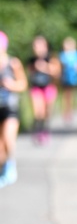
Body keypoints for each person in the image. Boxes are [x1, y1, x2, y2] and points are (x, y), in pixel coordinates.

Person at [0, 31, 28, 188]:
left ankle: (10, 167)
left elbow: (23, 84)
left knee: (8, 136)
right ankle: (4, 167)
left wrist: (11, 85)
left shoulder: (13, 63)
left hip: (10, 107)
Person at [28, 35, 60, 144]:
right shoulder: (32, 60)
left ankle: (45, 130)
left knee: (47, 112)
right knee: (38, 111)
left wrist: (45, 67)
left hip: (48, 87)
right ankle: (38, 130)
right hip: (36, 87)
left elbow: (57, 72)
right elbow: (29, 73)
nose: (37, 48)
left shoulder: (51, 57)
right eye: (35, 45)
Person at [59, 37, 77, 124]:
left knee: (72, 95)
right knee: (66, 96)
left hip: (74, 78)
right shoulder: (62, 55)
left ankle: (70, 111)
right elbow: (60, 67)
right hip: (65, 78)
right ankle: (65, 112)